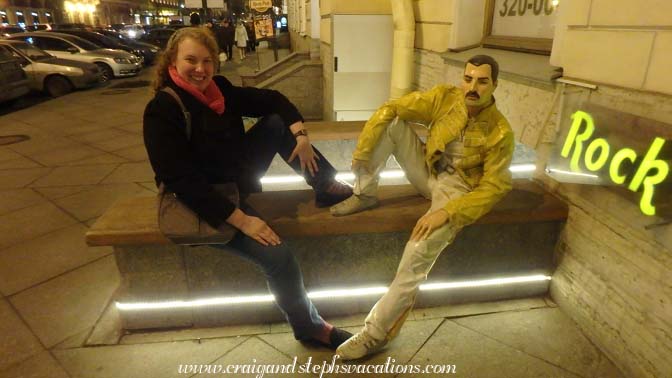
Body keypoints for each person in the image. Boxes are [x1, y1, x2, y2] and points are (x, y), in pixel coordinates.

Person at [143, 27, 353, 349]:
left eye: (207, 61)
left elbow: (273, 100)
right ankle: (309, 327)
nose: (200, 69)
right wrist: (243, 220)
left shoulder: (220, 90)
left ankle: (324, 184)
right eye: (191, 60)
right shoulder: (163, 109)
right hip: (207, 201)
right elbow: (182, 181)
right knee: (278, 257)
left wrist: (301, 135)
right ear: (173, 60)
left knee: (275, 123)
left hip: (236, 179)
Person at [332, 55, 515, 359]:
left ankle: (376, 332)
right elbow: (392, 108)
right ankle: (365, 193)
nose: (473, 87)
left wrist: (448, 212)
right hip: (429, 172)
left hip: (458, 193)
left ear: (494, 84)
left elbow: (495, 187)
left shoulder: (500, 132)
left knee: (417, 252)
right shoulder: (445, 98)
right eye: (468, 78)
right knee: (391, 124)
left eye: (482, 81)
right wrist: (364, 150)